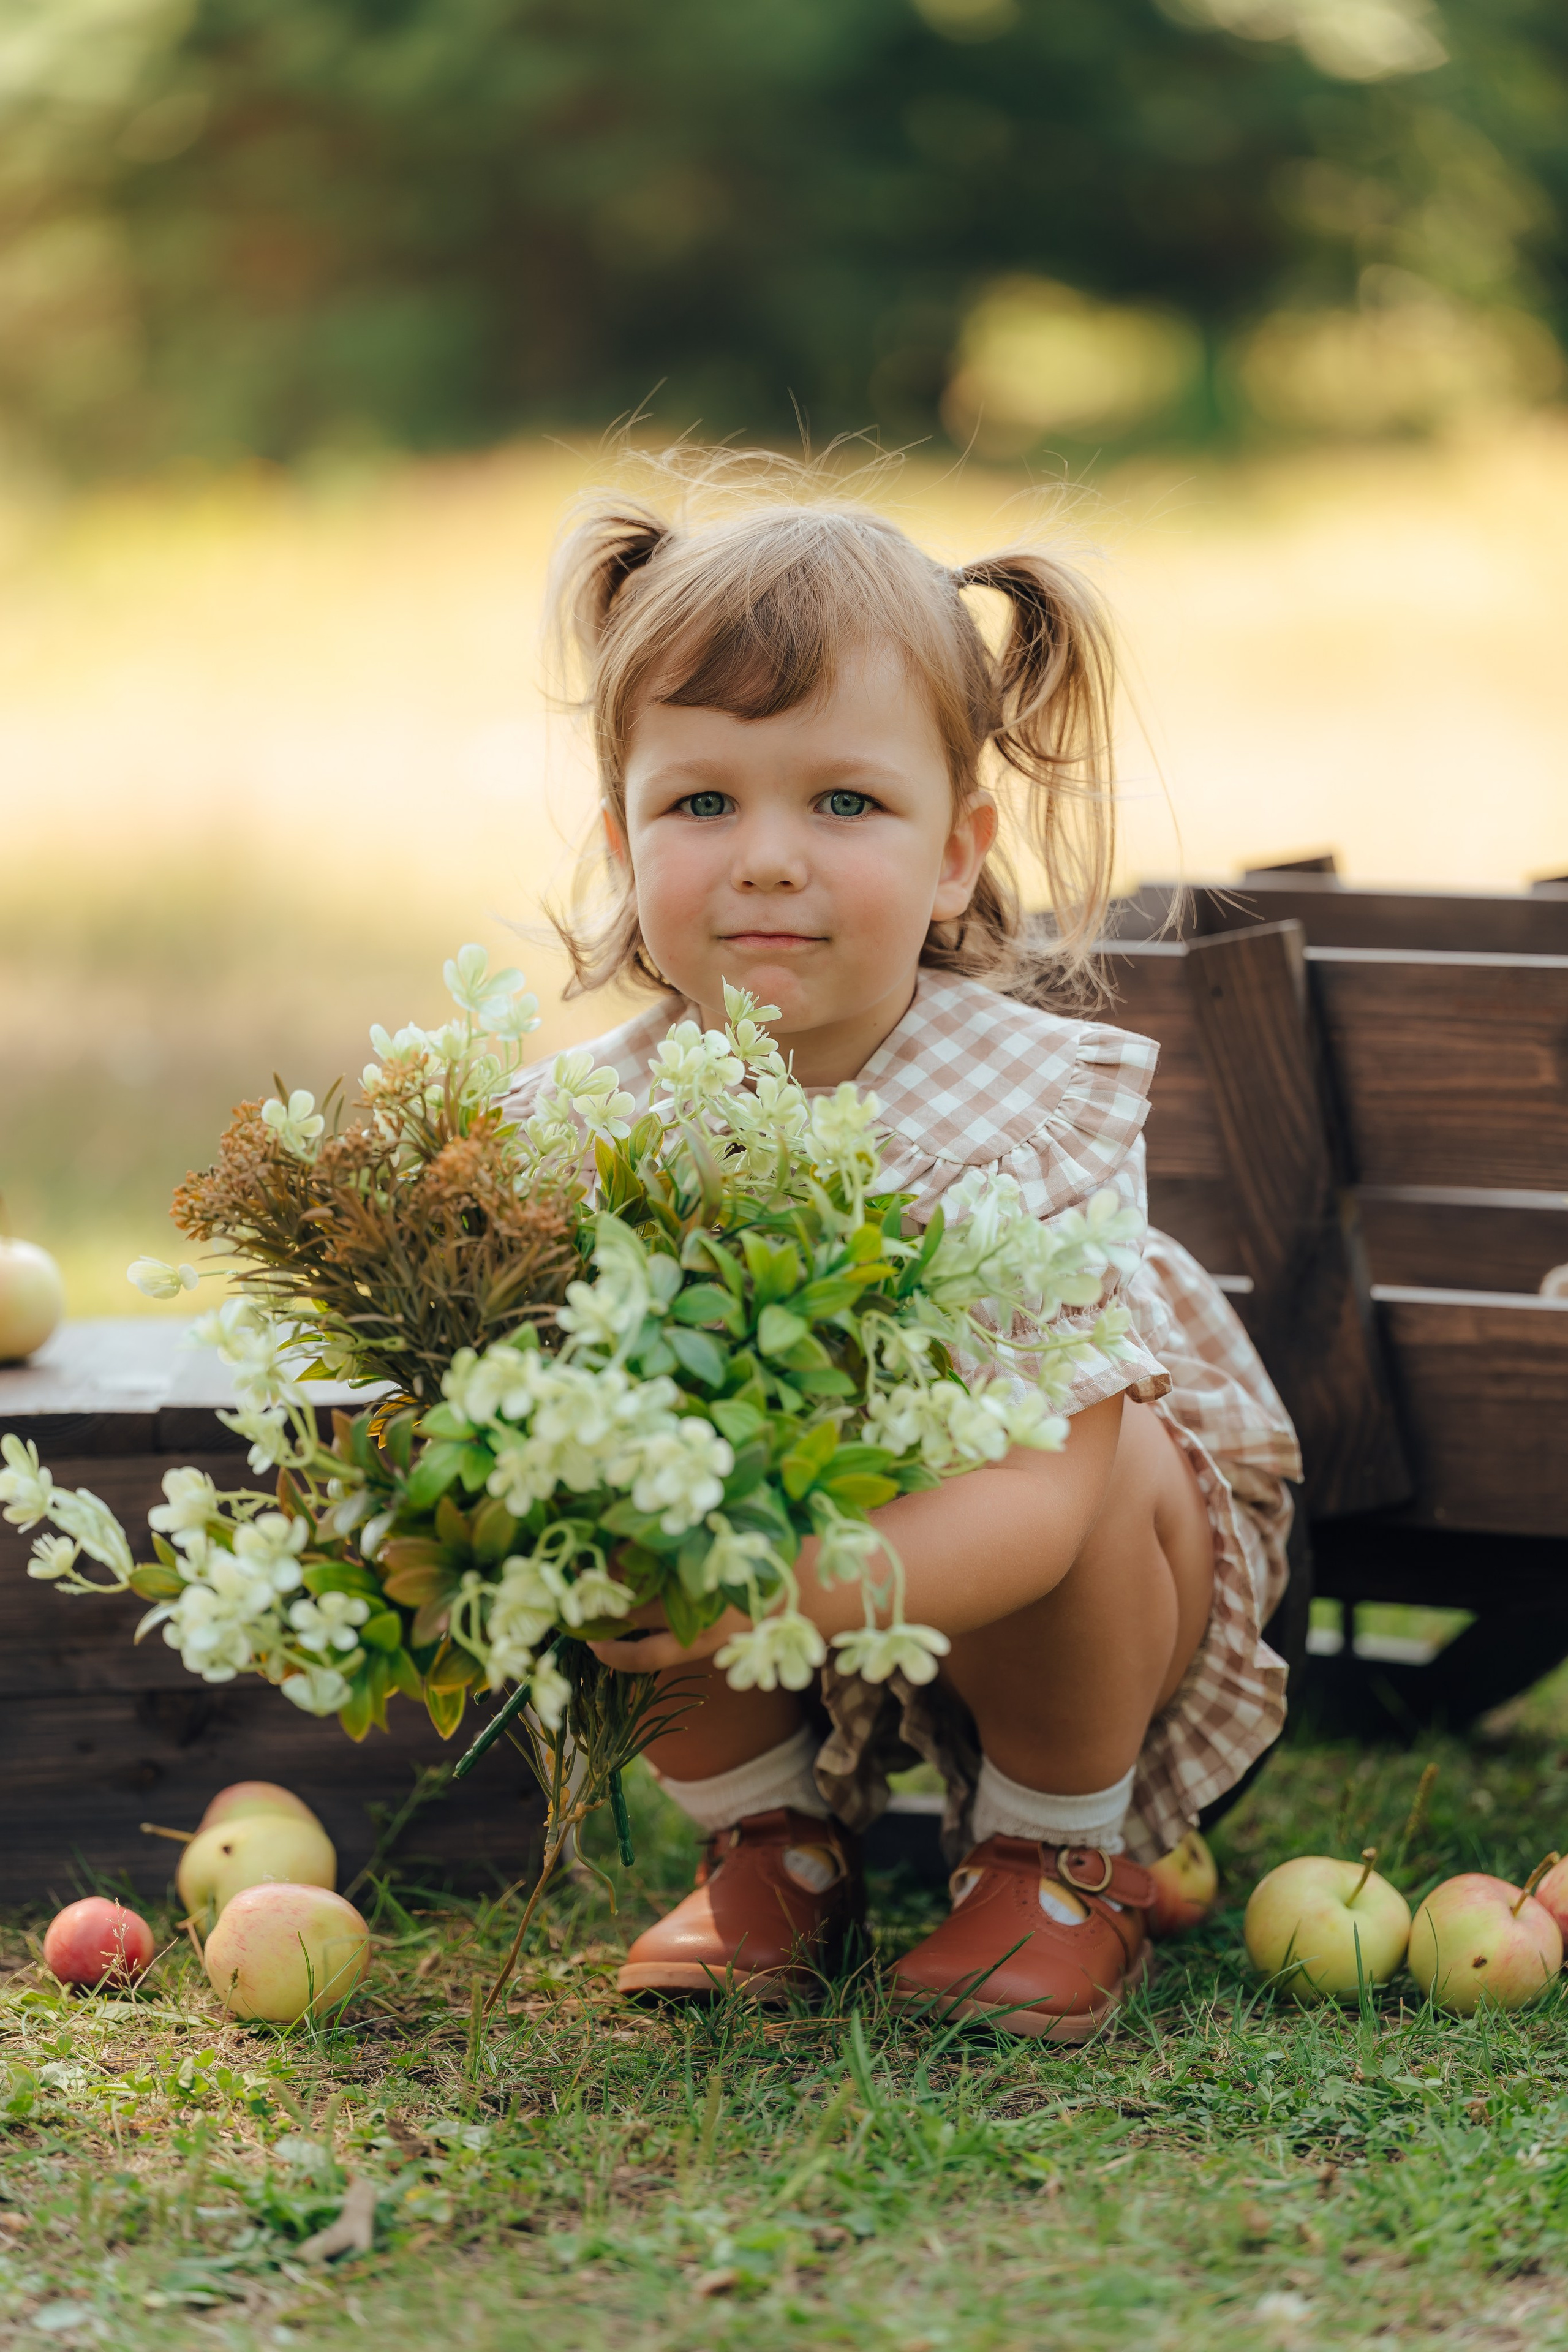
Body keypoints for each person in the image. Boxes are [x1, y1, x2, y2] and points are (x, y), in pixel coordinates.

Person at [508, 456, 1300, 2041]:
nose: (772, 855)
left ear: (956, 851)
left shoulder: (1023, 1106)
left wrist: (782, 1587)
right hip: (787, 1578)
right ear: (622, 841)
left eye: (846, 801)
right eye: (703, 801)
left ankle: (1053, 1861)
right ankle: (770, 1840)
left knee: (1101, 1453)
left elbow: (1040, 1497)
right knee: (568, 1464)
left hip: (1080, 1585)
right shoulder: (588, 1130)